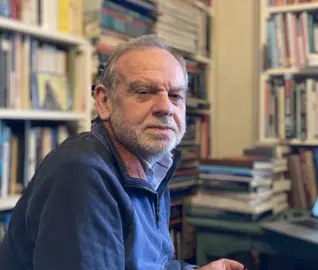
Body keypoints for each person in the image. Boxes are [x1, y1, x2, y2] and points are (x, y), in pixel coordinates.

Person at [0, 35, 245, 270]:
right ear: (104, 101)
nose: (165, 108)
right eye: (143, 92)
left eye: (175, 96)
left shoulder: (153, 165)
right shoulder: (82, 173)